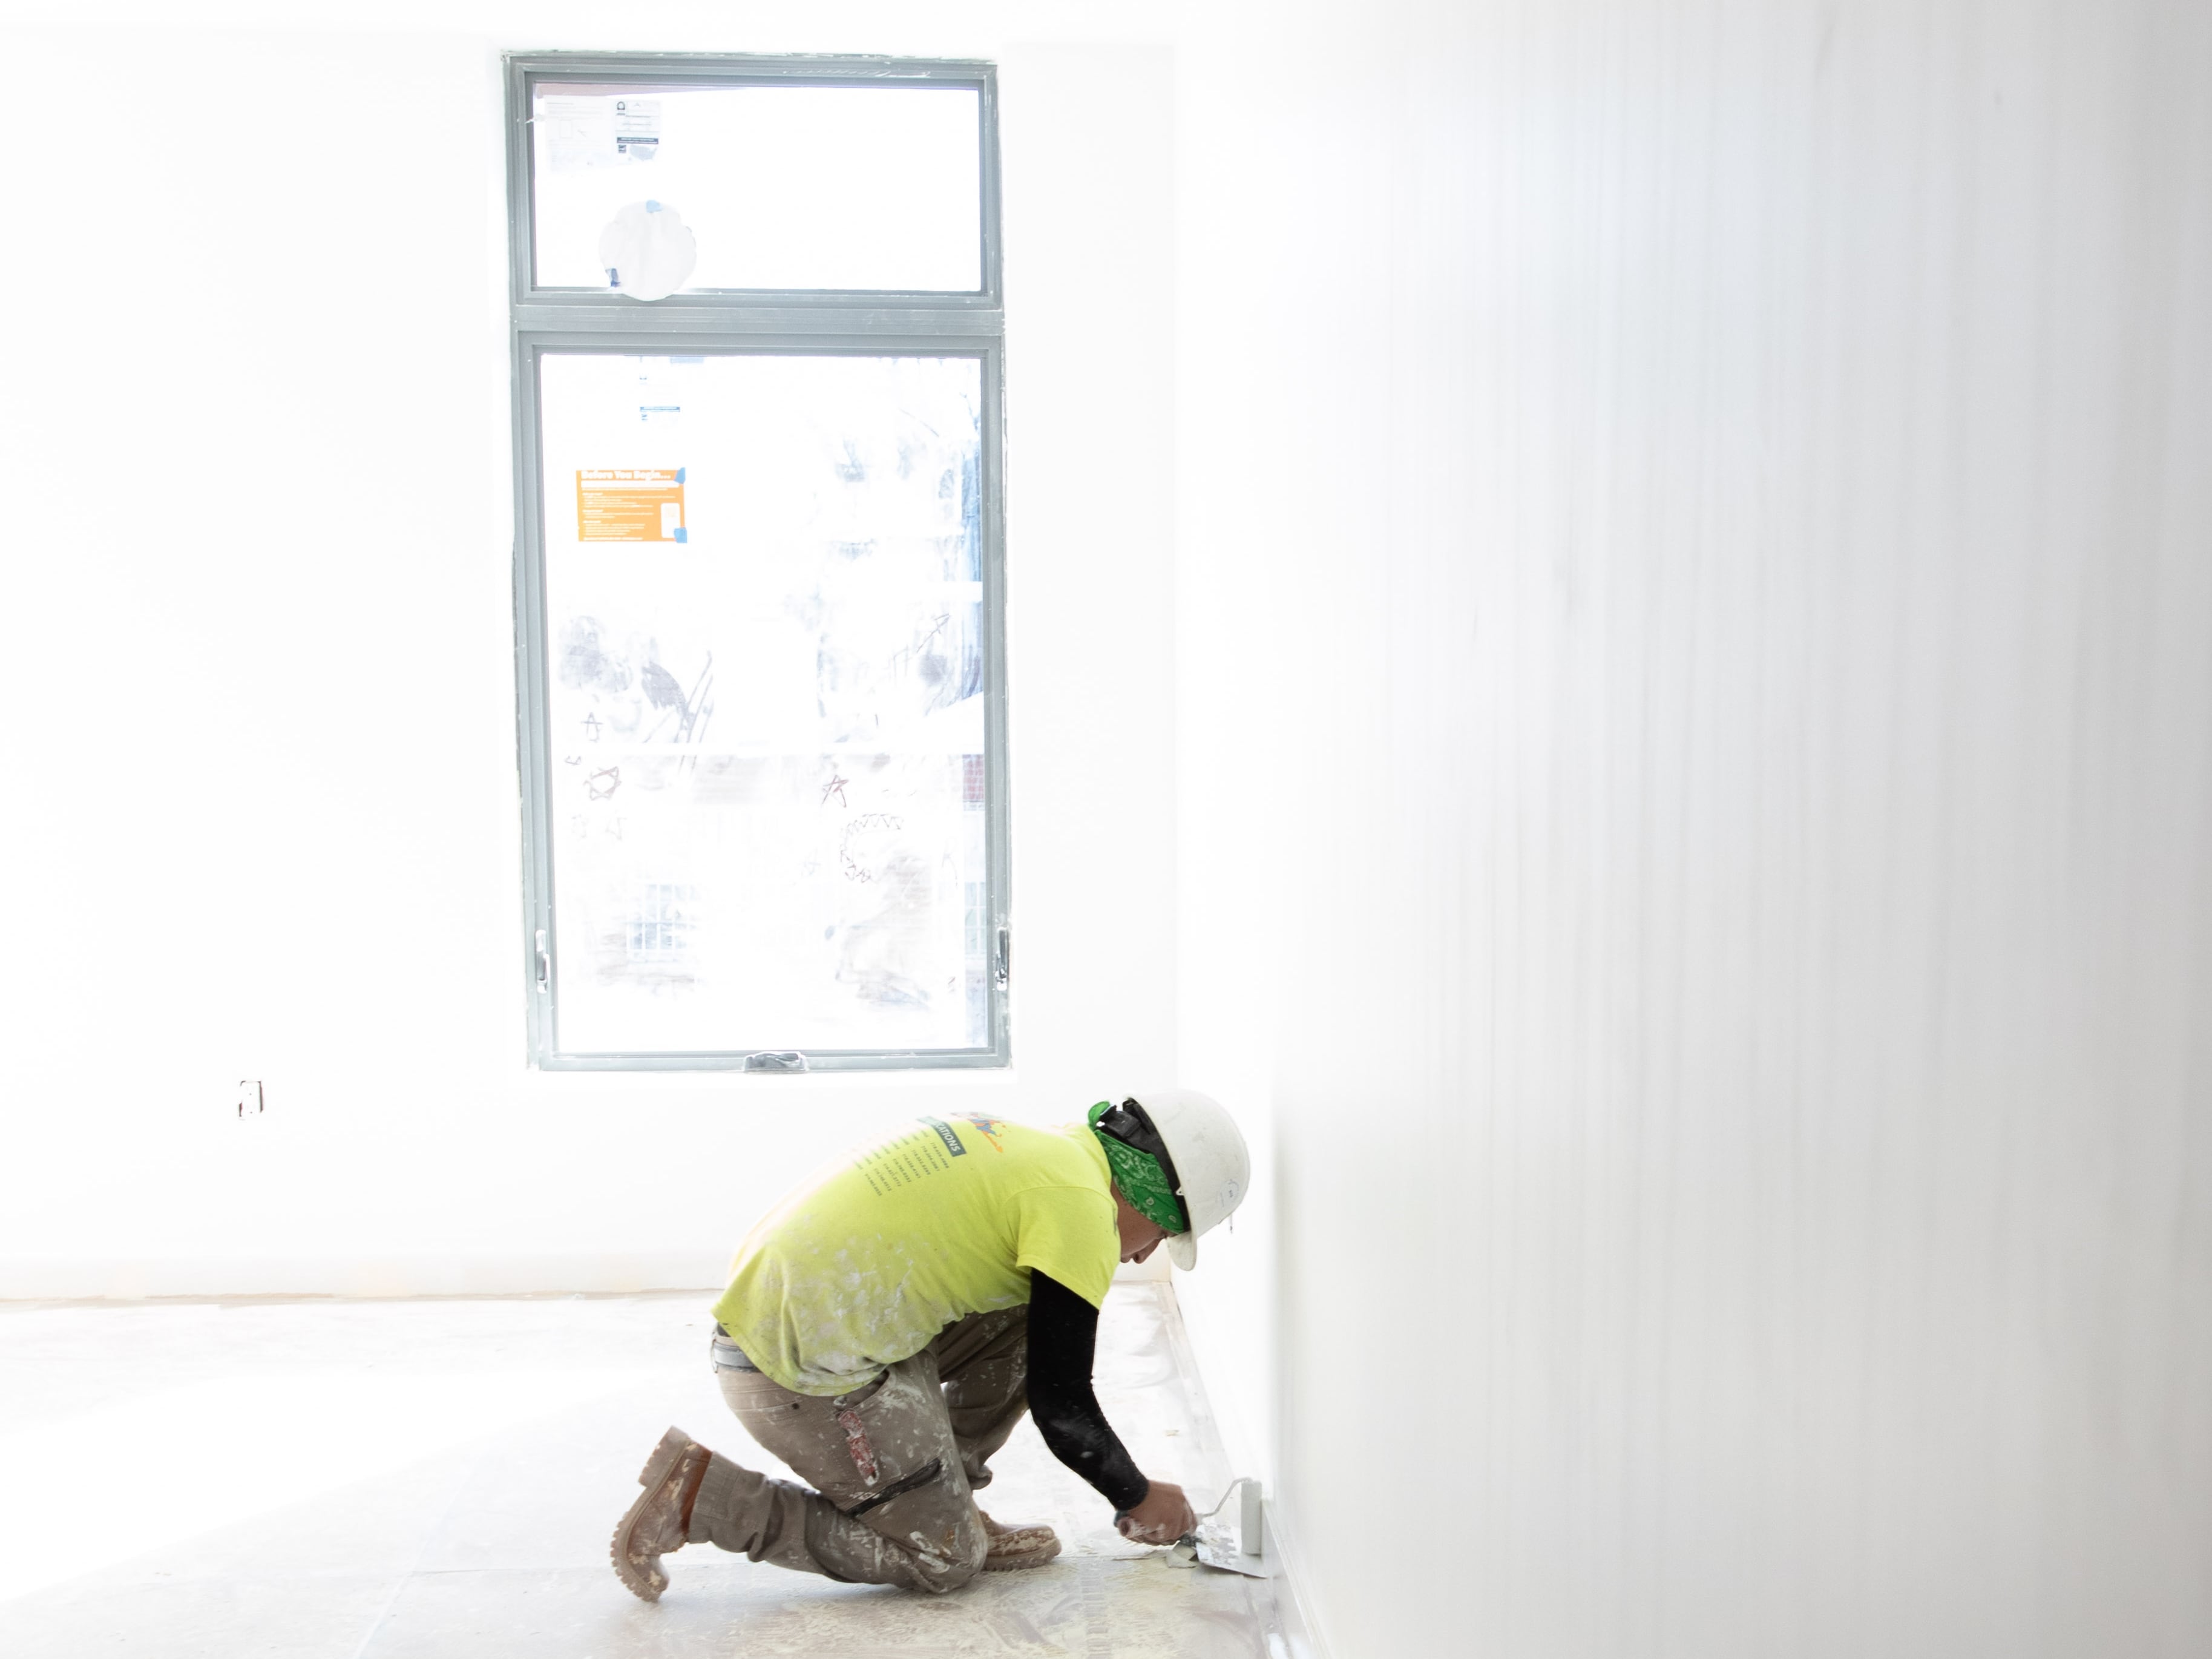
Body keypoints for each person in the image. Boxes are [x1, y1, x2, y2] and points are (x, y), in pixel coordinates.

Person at [609, 1089, 1250, 1600]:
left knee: (1032, 1314)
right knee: (943, 1559)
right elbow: (1064, 1404)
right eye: (1164, 1234)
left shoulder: (1046, 1150)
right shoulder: (1078, 1210)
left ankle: (948, 1501)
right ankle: (706, 1499)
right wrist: (1135, 1495)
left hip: (810, 1327)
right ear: (1155, 1194)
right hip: (791, 1372)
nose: (1142, 1254)